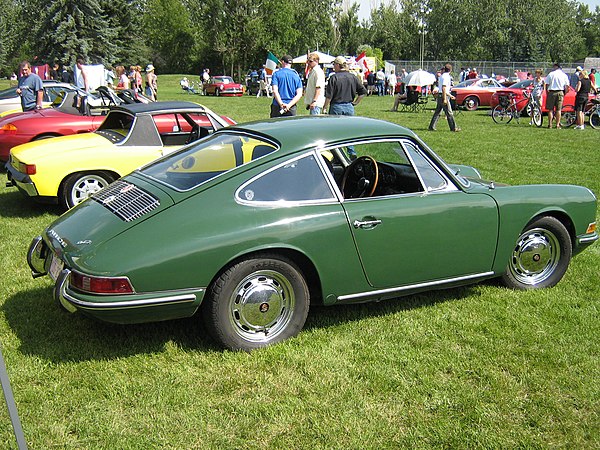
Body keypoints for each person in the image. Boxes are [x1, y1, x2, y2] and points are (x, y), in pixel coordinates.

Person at [428, 63, 460, 132]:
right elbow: (444, 88)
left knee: (437, 112)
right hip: (443, 96)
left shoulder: (442, 76)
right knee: (449, 112)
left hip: (440, 95)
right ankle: (453, 128)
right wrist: (445, 99)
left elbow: (443, 89)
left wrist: (450, 96)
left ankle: (431, 126)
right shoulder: (446, 77)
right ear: (450, 70)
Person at [544, 63, 570, 129]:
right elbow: (567, 86)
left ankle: (550, 124)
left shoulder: (551, 74)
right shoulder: (564, 75)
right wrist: (564, 93)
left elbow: (547, 84)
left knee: (550, 110)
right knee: (559, 109)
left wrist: (547, 92)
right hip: (560, 92)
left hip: (552, 92)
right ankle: (557, 124)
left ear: (556, 67)